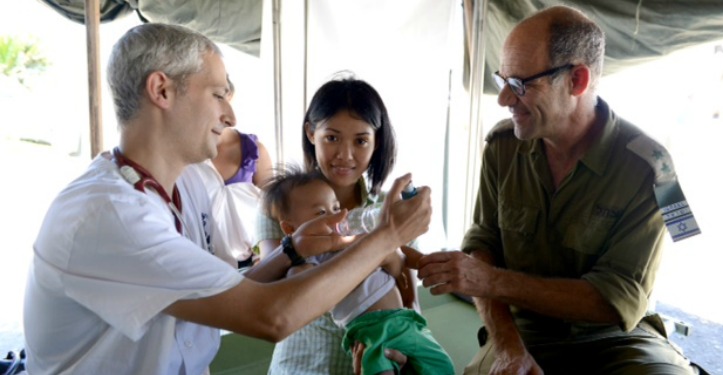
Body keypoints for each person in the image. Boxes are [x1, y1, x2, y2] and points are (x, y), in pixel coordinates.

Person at [22, 23, 431, 375]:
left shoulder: (194, 184)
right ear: (161, 90)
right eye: (219, 94)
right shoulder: (108, 214)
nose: (230, 116)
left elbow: (227, 291)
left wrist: (292, 249)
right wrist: (386, 236)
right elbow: (269, 316)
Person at [418, 5, 701, 375]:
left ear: (577, 81)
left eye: (519, 84)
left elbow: (616, 301)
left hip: (614, 339)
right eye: (501, 79)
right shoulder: (503, 148)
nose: (504, 99)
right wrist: (506, 347)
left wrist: (491, 281)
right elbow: (482, 249)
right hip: (520, 331)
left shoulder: (649, 168)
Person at [254, 76, 421, 374]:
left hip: (376, 363)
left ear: (376, 142)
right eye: (332, 138)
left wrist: (390, 256)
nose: (345, 155)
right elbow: (271, 295)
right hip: (301, 365)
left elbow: (412, 309)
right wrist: (375, 252)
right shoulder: (281, 203)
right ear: (311, 133)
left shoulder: (393, 209)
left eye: (360, 141)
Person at [262, 165, 454, 375]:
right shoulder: (310, 260)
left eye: (336, 208)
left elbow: (398, 248)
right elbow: (298, 290)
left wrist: (424, 261)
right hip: (370, 330)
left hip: (404, 322)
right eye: (320, 212)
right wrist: (297, 265)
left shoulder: (352, 237)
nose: (336, 218)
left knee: (441, 365)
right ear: (291, 229)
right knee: (380, 369)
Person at [194, 77, 273, 267]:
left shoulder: (254, 151)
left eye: (222, 97)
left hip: (253, 259)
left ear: (230, 95)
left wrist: (262, 255)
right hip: (202, 259)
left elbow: (274, 211)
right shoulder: (187, 154)